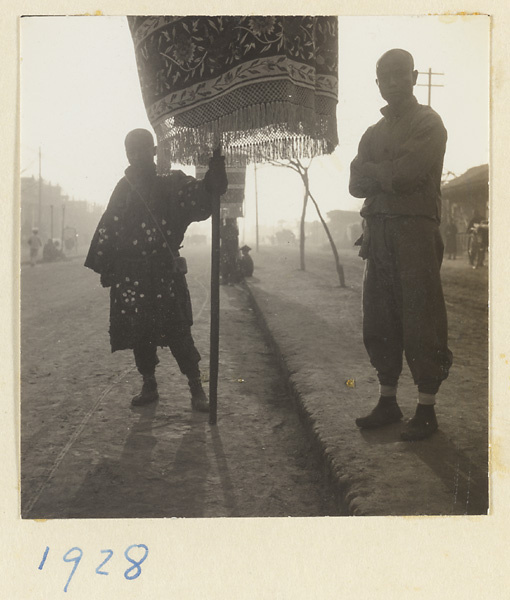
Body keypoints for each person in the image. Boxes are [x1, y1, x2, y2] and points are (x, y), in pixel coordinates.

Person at [349, 49, 452, 441]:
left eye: (398, 75)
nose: (391, 83)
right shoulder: (373, 133)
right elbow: (354, 183)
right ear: (377, 83)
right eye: (383, 77)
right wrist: (383, 175)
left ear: (413, 76)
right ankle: (387, 401)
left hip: (415, 232)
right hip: (378, 232)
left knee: (420, 317)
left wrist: (376, 173)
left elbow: (408, 176)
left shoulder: (428, 122)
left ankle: (426, 410)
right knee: (379, 317)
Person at [85, 128, 227, 409]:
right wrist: (108, 268)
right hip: (131, 276)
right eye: (131, 151)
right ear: (126, 154)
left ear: (153, 152)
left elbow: (202, 196)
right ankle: (149, 385)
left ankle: (196, 389)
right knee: (140, 333)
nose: (136, 156)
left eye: (141, 150)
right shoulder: (123, 188)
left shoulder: (171, 182)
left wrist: (215, 172)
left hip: (164, 273)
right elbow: (109, 227)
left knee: (178, 332)